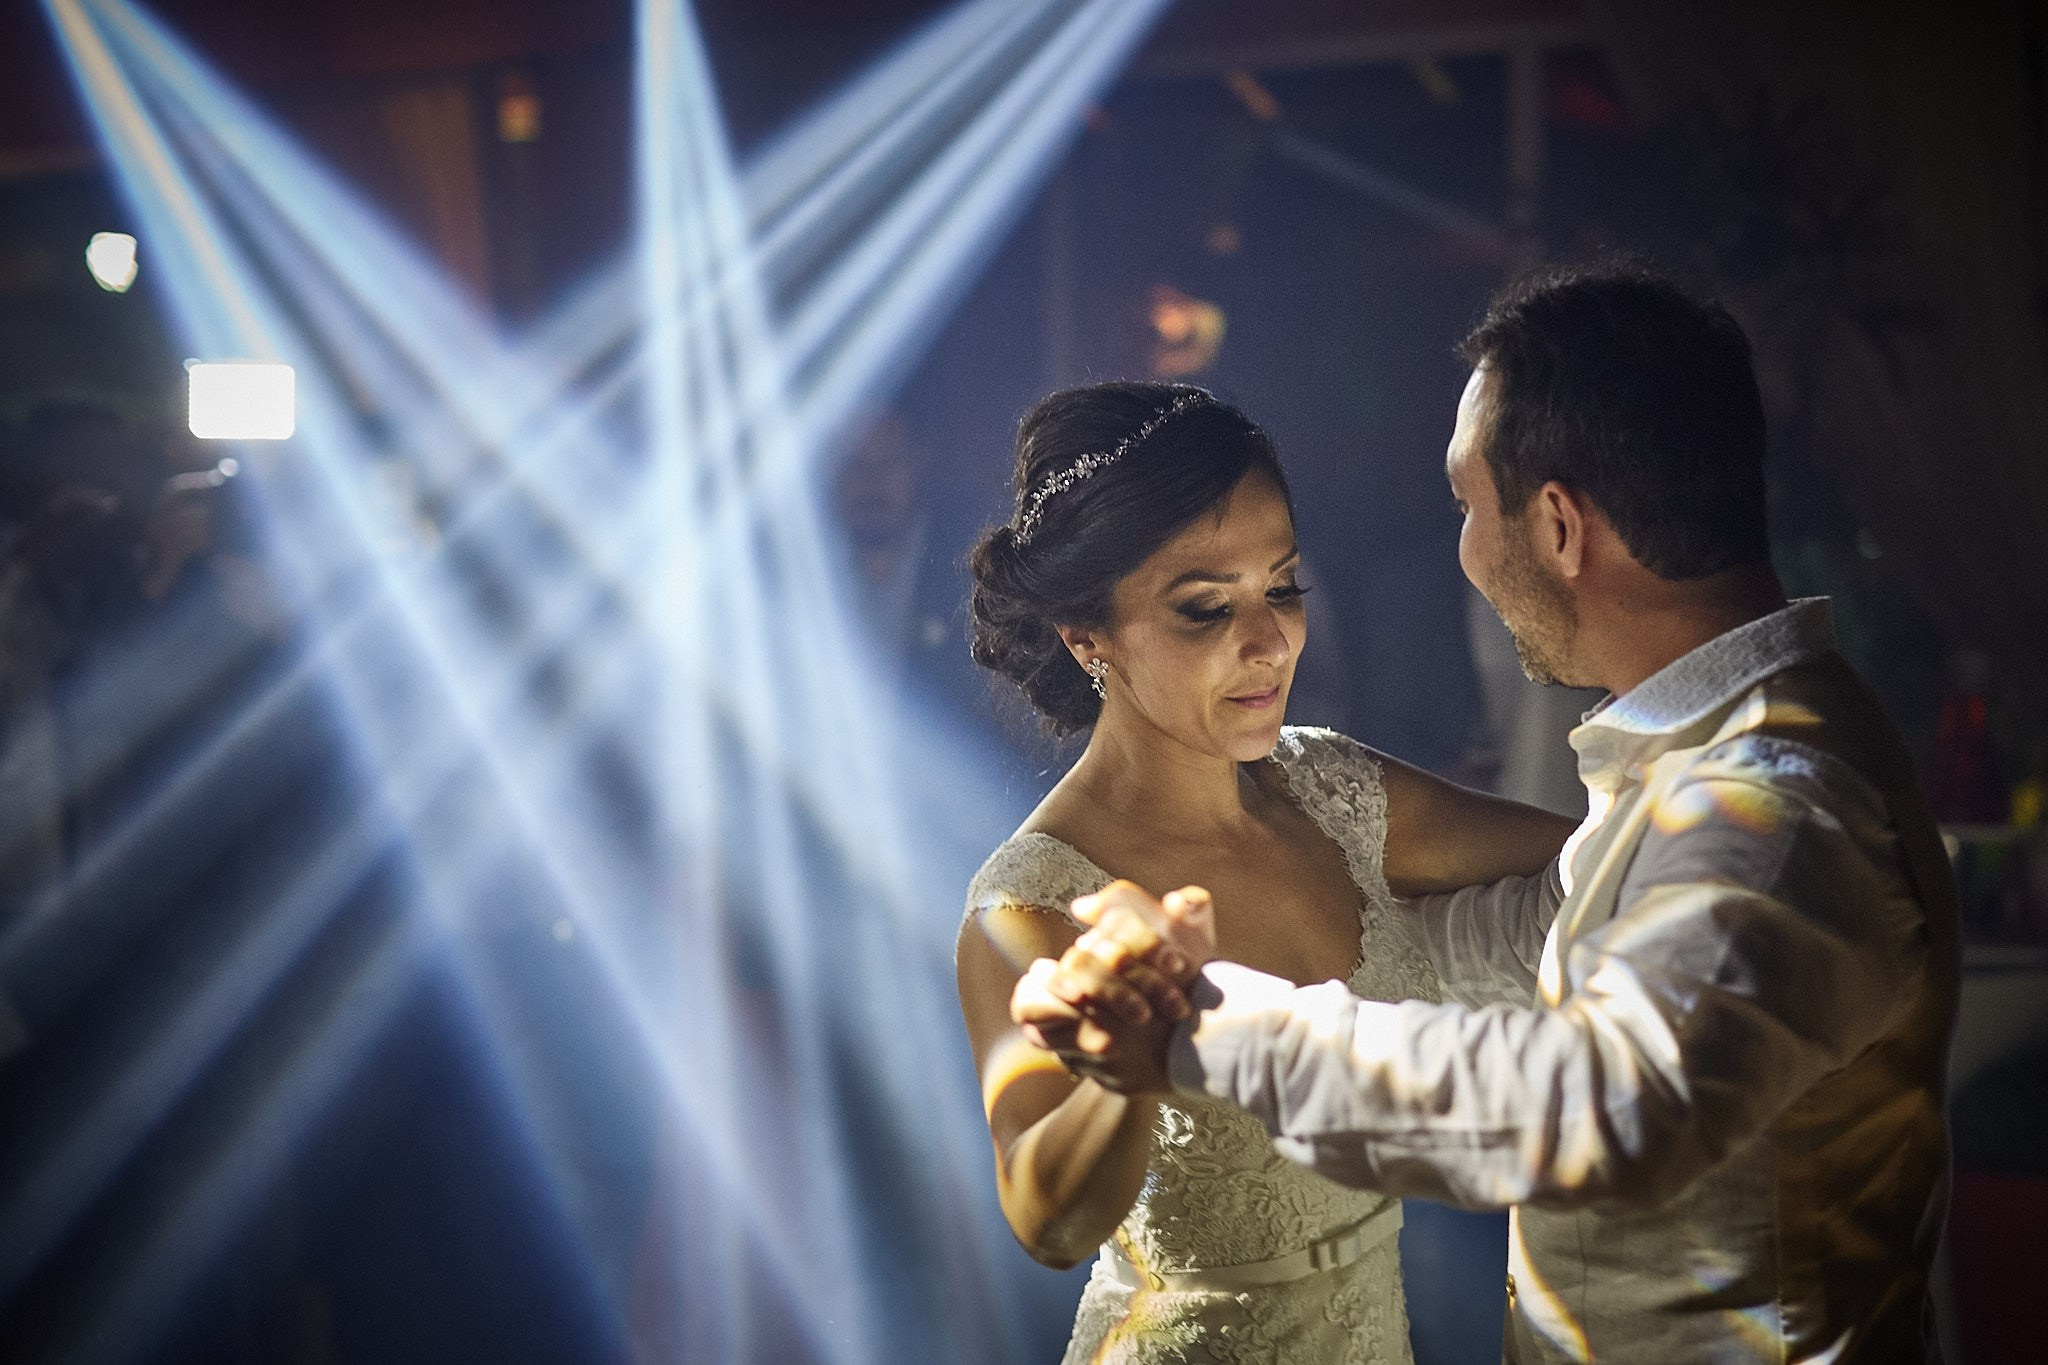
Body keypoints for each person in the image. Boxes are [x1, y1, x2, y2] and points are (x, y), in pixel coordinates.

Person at [1014, 264, 1961, 1363]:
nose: (1462, 550)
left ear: (1558, 525)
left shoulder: (1770, 802)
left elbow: (1599, 1103)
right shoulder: (1718, 761)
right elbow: (1562, 927)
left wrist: (1200, 1026)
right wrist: (1323, 922)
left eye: (1468, 504)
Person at [955, 380, 1576, 1363]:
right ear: (1088, 639)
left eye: (1280, 586)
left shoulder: (1336, 790)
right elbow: (1049, 1225)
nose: (1268, 640)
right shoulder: (1030, 900)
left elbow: (1603, 866)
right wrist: (1126, 1069)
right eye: (1205, 608)